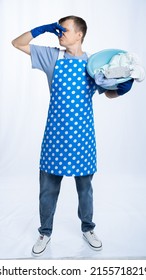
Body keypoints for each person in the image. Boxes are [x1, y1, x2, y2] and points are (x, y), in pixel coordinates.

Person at [12, 15, 133, 257]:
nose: (59, 33)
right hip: (55, 139)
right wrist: (40, 30)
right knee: (47, 190)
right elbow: (18, 43)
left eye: (64, 29)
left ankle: (88, 228)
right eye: (57, 29)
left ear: (79, 34)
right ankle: (45, 232)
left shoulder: (95, 65)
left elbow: (107, 93)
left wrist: (121, 88)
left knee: (85, 188)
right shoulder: (52, 56)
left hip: (83, 138)